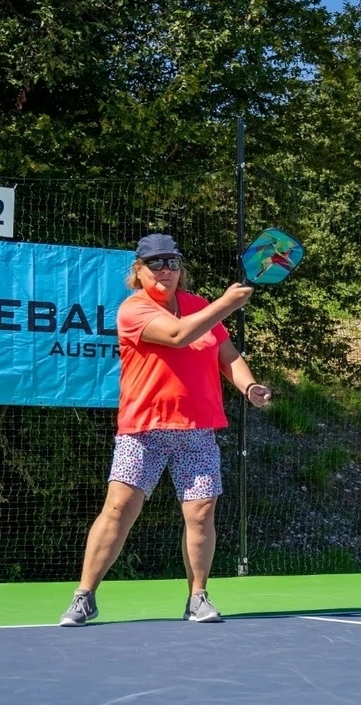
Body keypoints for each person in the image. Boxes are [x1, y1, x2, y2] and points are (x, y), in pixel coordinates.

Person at [59, 233, 272, 626]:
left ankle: (198, 597)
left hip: (197, 428)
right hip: (143, 429)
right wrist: (226, 304)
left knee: (201, 512)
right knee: (120, 509)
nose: (165, 271)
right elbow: (177, 335)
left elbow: (227, 354)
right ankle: (84, 595)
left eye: (172, 262)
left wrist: (248, 385)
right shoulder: (133, 310)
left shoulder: (199, 306)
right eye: (155, 263)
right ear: (138, 272)